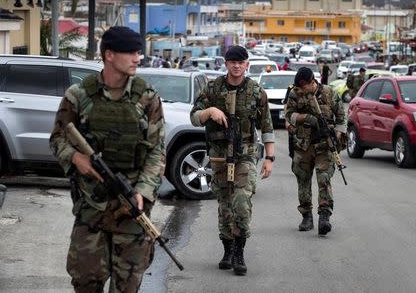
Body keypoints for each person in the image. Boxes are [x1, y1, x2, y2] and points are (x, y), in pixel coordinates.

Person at [49, 26, 166, 292]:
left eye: (139, 52)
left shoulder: (147, 97)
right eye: (131, 53)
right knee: (85, 282)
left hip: (132, 210)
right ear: (109, 55)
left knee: (127, 286)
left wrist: (143, 192)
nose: (138, 58)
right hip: (92, 208)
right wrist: (75, 158)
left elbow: (157, 151)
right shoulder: (78, 96)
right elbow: (57, 138)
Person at [190, 45, 275, 276]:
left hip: (245, 154)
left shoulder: (256, 91)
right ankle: (227, 250)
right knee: (225, 204)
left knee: (241, 202)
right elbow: (194, 117)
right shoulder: (213, 88)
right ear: (226, 64)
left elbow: (267, 126)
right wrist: (210, 111)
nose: (236, 66)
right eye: (232, 62)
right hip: (218, 155)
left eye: (241, 62)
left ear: (247, 64)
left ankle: (239, 251)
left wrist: (269, 157)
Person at [285, 67, 346, 236]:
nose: (301, 90)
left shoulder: (329, 93)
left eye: (304, 87)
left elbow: (341, 116)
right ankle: (306, 216)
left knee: (324, 178)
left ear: (313, 83)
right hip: (303, 145)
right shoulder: (294, 94)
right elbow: (289, 114)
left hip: (324, 146)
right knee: (303, 181)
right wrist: (306, 118)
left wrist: (337, 135)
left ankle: (324, 217)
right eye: (299, 87)